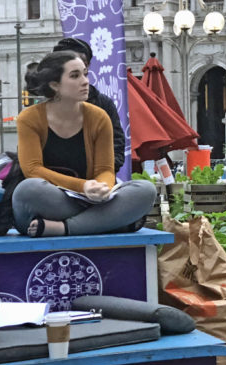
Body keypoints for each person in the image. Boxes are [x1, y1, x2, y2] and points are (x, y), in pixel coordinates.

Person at [12, 51, 156, 237]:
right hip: (49, 202)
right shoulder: (29, 118)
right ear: (54, 85)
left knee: (145, 191)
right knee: (28, 189)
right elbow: (32, 169)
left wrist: (102, 188)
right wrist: (83, 187)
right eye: (75, 76)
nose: (85, 81)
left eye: (85, 74)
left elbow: (105, 169)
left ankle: (64, 229)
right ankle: (109, 223)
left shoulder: (99, 117)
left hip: (89, 201)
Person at [52, 38, 126, 173]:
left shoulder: (103, 104)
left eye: (82, 66)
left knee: (144, 189)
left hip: (98, 182)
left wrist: (102, 172)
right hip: (54, 185)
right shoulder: (42, 110)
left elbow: (117, 145)